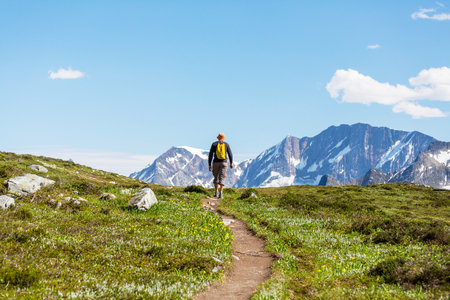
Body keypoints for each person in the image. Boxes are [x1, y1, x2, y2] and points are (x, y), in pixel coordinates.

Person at [208, 133, 233, 199]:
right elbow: (230, 154)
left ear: (218, 137)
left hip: (215, 162)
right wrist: (231, 163)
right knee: (223, 177)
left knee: (216, 177)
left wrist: (209, 164)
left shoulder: (214, 144)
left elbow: (210, 154)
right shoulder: (226, 144)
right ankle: (221, 193)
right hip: (224, 163)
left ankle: (216, 192)